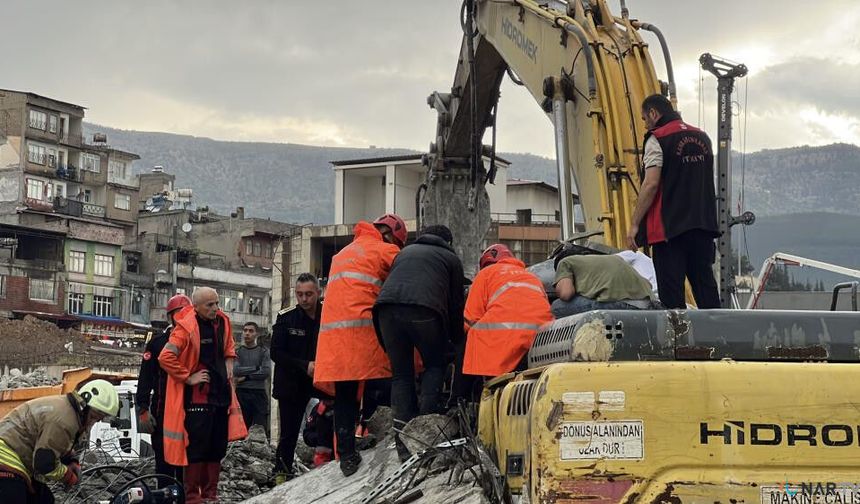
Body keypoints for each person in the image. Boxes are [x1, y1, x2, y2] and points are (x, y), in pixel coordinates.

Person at [314, 213, 405, 477]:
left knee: (345, 394)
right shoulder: (385, 251)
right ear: (390, 236)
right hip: (365, 333)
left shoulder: (342, 254)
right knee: (385, 385)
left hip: (335, 339)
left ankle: (346, 454)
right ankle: (390, 439)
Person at [373, 224, 464, 461]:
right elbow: (456, 305)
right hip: (424, 310)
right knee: (435, 364)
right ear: (449, 242)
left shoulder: (404, 252)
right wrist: (456, 341)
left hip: (385, 311)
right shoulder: (450, 259)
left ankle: (402, 444)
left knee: (401, 375)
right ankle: (424, 434)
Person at [626, 93, 721, 309]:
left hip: (669, 231)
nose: (645, 125)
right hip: (702, 227)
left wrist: (635, 224)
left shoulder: (657, 139)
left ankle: (678, 333)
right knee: (706, 292)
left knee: (672, 300)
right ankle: (718, 330)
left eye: (644, 119)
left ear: (653, 113)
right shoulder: (703, 138)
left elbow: (651, 184)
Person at [158, 286, 247, 504]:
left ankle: (210, 495)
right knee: (197, 448)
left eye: (217, 303)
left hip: (220, 396)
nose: (215, 308)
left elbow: (229, 345)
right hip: (198, 398)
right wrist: (188, 377)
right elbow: (165, 357)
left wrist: (229, 362)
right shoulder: (185, 327)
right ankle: (192, 497)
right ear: (196, 307)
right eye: (210, 305)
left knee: (216, 447)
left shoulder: (223, 321)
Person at [453, 244, 553, 401]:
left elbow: (470, 319)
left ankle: (459, 400)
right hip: (538, 342)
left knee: (467, 342)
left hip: (500, 342)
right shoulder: (532, 277)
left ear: (485, 264)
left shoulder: (486, 274)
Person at [0, 379, 120, 504]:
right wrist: (68, 476)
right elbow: (45, 464)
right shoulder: (64, 420)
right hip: (6, 456)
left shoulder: (69, 412)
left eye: (98, 419)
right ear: (84, 407)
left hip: (18, 456)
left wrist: (71, 460)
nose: (92, 423)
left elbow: (56, 445)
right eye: (93, 417)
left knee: (45, 499)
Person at [270, 273, 330, 481]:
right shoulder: (286, 318)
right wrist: (305, 365)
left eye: (309, 294)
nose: (304, 299)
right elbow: (276, 353)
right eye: (300, 294)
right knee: (289, 433)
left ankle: (330, 465)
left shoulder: (328, 314)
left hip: (322, 381)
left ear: (318, 293)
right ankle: (281, 474)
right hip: (292, 383)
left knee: (329, 422)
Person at [135, 294, 191, 489]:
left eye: (187, 313)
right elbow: (145, 378)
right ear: (170, 317)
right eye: (179, 313)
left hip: (188, 411)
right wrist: (143, 409)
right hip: (162, 412)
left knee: (187, 467)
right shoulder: (158, 344)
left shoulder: (194, 341)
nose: (183, 317)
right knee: (164, 465)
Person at [551, 251, 656, 317]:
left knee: (556, 306)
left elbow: (566, 294)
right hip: (650, 305)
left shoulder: (564, 262)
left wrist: (559, 285)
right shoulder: (613, 258)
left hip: (621, 305)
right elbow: (648, 284)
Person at [234, 322, 272, 436]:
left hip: (258, 393)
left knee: (259, 430)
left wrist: (246, 377)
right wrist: (256, 367)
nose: (247, 333)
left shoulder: (263, 351)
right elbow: (236, 370)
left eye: (251, 331)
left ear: (256, 334)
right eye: (245, 330)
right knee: (241, 430)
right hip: (241, 393)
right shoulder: (237, 352)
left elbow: (266, 372)